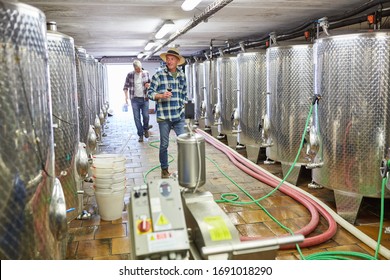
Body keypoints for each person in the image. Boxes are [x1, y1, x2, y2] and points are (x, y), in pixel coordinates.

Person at [148, 48, 187, 178]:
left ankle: (184, 168)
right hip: (164, 116)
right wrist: (161, 95)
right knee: (164, 144)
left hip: (178, 116)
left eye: (172, 59)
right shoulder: (159, 75)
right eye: (168, 59)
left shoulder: (182, 75)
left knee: (183, 142)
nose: (169, 61)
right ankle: (164, 169)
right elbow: (150, 93)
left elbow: (184, 93)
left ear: (177, 61)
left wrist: (182, 106)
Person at [123, 60, 151, 142]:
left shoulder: (146, 73)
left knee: (146, 116)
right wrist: (126, 97)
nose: (139, 70)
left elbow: (151, 84)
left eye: (140, 68)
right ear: (134, 69)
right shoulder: (130, 75)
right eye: (137, 69)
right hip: (134, 99)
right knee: (136, 118)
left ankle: (146, 128)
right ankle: (140, 134)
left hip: (144, 98)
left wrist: (149, 85)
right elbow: (125, 87)